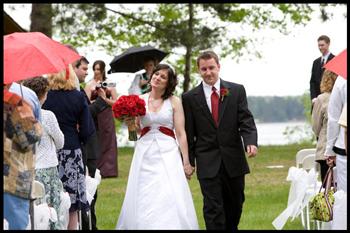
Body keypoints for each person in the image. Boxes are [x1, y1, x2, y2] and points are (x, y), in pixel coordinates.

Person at [182, 50, 258, 230]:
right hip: (207, 160)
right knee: (213, 207)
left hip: (233, 159)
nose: (208, 72)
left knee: (236, 203)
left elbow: (245, 120)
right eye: (203, 69)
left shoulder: (236, 90)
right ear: (198, 71)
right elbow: (189, 131)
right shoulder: (189, 98)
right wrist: (189, 161)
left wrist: (250, 141)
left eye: (211, 68)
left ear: (219, 66)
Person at [116, 63, 199, 230]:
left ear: (168, 83)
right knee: (143, 192)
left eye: (163, 76)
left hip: (168, 151)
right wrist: (130, 123)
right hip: (144, 151)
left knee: (168, 190)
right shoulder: (139, 100)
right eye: (156, 74)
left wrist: (186, 162)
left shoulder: (174, 101)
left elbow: (181, 133)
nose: (157, 78)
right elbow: (134, 136)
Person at [42, 64, 95, 230]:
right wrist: (78, 137)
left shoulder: (45, 97)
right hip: (72, 151)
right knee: (73, 202)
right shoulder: (78, 97)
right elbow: (87, 130)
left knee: (52, 197)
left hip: (49, 152)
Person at [22, 76, 65, 230]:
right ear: (43, 94)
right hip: (47, 169)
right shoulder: (47, 116)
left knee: (32, 217)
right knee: (51, 213)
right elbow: (60, 142)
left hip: (27, 169)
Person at [73, 55, 110, 230]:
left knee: (91, 191)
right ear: (74, 68)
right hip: (86, 148)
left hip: (89, 147)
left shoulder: (78, 90)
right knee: (90, 191)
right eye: (84, 69)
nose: (87, 72)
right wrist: (102, 100)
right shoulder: (77, 91)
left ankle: (90, 225)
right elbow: (86, 115)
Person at [3, 83, 42, 230]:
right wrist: (36, 123)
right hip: (13, 177)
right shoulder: (13, 102)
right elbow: (30, 136)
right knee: (16, 225)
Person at [84, 60, 119, 178]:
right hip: (94, 115)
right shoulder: (89, 84)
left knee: (108, 140)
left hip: (107, 115)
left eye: (98, 69)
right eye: (94, 69)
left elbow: (116, 102)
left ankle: (109, 170)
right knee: (96, 140)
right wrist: (96, 101)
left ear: (103, 70)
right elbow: (86, 103)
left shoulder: (110, 84)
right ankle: (96, 169)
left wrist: (104, 99)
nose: (96, 71)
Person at [311, 70, 337, 182]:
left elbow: (316, 127)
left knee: (327, 190)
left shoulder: (321, 99)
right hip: (339, 149)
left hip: (325, 150)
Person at [325, 75, 347, 193]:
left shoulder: (342, 80)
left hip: (344, 145)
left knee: (344, 196)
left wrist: (330, 150)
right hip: (344, 145)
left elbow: (333, 118)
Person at [310, 35, 335, 106]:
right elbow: (312, 81)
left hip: (331, 99)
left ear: (328, 44)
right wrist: (313, 97)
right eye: (319, 45)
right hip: (317, 100)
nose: (320, 47)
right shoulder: (316, 62)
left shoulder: (335, 60)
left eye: (322, 45)